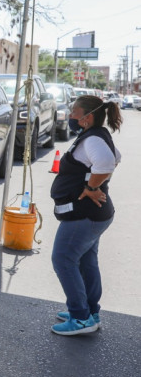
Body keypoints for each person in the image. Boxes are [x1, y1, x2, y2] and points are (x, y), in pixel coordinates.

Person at [49, 95, 122, 335]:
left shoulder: (93, 139)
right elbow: (115, 158)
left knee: (63, 258)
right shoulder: (95, 136)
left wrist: (91, 187)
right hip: (94, 214)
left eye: (74, 112)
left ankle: (81, 319)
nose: (70, 115)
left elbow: (107, 162)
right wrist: (90, 181)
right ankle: (89, 311)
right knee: (86, 260)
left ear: (87, 117)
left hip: (85, 215)